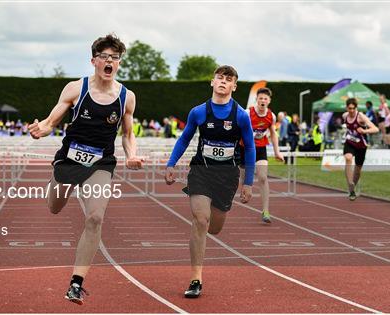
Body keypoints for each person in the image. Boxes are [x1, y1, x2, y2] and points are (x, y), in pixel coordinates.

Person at [27, 34, 143, 305]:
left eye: (114, 58)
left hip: (100, 164)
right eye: (104, 56)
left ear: (119, 63)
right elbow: (51, 120)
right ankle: (56, 182)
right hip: (69, 159)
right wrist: (41, 130)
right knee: (55, 207)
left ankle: (76, 284)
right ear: (94, 60)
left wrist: (133, 155)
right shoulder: (75, 89)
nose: (109, 61)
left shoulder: (127, 97)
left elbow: (127, 134)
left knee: (95, 218)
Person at [164, 65, 255, 298]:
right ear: (212, 82)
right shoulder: (198, 112)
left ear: (234, 86)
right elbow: (184, 139)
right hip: (201, 172)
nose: (223, 82)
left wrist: (248, 182)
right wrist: (171, 164)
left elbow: (250, 148)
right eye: (220, 78)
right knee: (201, 220)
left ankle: (216, 215)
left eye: (229, 79)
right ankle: (196, 279)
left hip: (227, 176)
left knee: (214, 227)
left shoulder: (241, 116)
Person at [239, 88, 284, 223]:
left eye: (265, 99)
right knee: (244, 177)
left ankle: (265, 211)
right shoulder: (248, 113)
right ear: (256, 100)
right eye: (260, 98)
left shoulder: (272, 116)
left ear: (269, 101)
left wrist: (277, 152)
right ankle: (246, 189)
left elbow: (274, 134)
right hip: (245, 148)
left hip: (260, 148)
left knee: (263, 177)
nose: (263, 101)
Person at [342, 98, 378, 201]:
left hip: (361, 145)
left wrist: (364, 131)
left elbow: (375, 128)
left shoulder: (361, 116)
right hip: (349, 142)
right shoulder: (345, 116)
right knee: (348, 158)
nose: (351, 111)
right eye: (349, 108)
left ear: (356, 108)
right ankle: (350, 185)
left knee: (357, 170)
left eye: (353, 108)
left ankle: (352, 188)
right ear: (347, 108)